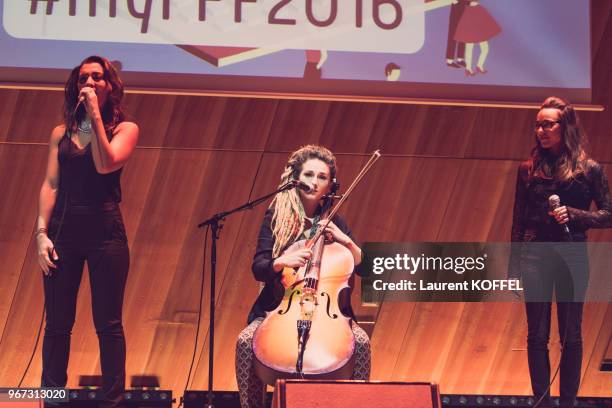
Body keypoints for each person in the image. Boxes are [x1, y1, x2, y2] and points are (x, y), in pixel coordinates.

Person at [36, 55, 139, 408]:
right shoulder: (61, 134)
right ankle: (51, 399)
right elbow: (51, 184)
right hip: (64, 232)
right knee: (57, 324)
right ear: (75, 86)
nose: (91, 83)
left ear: (110, 86)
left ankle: (111, 401)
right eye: (84, 78)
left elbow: (105, 163)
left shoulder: (125, 129)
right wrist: (40, 234)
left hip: (106, 234)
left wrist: (95, 116)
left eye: (98, 77)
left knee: (108, 324)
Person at [235, 145, 371, 408]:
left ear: (331, 184)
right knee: (244, 342)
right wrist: (280, 262)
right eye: (309, 174)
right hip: (279, 307)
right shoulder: (275, 216)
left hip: (328, 312)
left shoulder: (335, 221)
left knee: (362, 343)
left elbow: (365, 268)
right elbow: (259, 267)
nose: (315, 182)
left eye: (322, 177)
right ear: (295, 178)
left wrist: (346, 241)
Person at [509, 97, 611, 407]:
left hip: (571, 255)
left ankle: (568, 403)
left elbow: (608, 214)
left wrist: (576, 214)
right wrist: (513, 266)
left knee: (572, 336)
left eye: (548, 124)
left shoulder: (589, 169)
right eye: (538, 124)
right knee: (537, 336)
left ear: (565, 127)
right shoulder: (528, 169)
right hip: (534, 255)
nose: (541, 130)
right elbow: (518, 218)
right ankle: (541, 402)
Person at [453, 0, 501, 75]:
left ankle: (479, 65)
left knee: (485, 48)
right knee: (469, 46)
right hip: (469, 14)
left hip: (478, 13)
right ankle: (468, 68)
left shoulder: (479, 9)